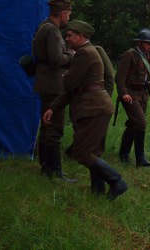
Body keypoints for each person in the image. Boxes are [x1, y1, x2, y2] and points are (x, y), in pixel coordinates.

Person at [43, 20, 128, 200]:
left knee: (81, 153)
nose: (67, 39)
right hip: (97, 107)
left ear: (81, 36)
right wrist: (53, 108)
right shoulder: (87, 52)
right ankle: (97, 192)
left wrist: (65, 73)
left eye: (70, 35)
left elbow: (68, 84)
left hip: (93, 108)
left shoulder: (84, 53)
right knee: (93, 153)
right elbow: (72, 90)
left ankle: (116, 181)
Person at [33, 0, 75, 179]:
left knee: (46, 126)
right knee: (54, 128)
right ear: (63, 14)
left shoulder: (44, 26)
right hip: (53, 85)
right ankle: (54, 170)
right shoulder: (52, 30)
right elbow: (57, 59)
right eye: (69, 15)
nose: (69, 18)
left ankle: (46, 167)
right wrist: (71, 55)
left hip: (46, 83)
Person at [114, 28, 150, 167]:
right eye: (147, 43)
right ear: (139, 43)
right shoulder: (130, 55)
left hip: (143, 95)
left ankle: (124, 154)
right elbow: (119, 77)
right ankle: (140, 157)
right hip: (130, 94)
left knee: (134, 124)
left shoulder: (148, 55)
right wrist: (123, 93)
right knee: (141, 123)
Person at [64, 44, 114, 159]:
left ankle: (92, 155)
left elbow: (109, 76)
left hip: (97, 97)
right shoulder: (73, 53)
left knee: (97, 131)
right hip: (78, 97)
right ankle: (78, 152)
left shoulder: (96, 50)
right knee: (79, 127)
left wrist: (105, 96)